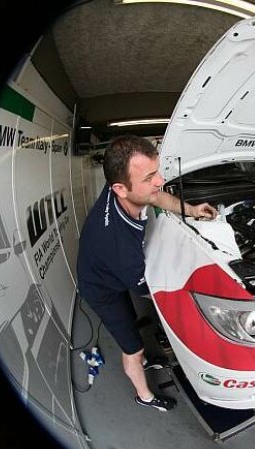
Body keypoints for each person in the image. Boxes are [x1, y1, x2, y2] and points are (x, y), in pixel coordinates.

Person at [77, 135, 217, 411]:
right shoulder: (119, 246)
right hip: (101, 289)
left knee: (130, 319)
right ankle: (145, 396)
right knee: (132, 347)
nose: (160, 180)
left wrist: (191, 210)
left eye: (157, 171)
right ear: (120, 188)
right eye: (150, 176)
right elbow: (149, 289)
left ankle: (139, 354)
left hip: (109, 270)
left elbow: (156, 196)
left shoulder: (124, 187)